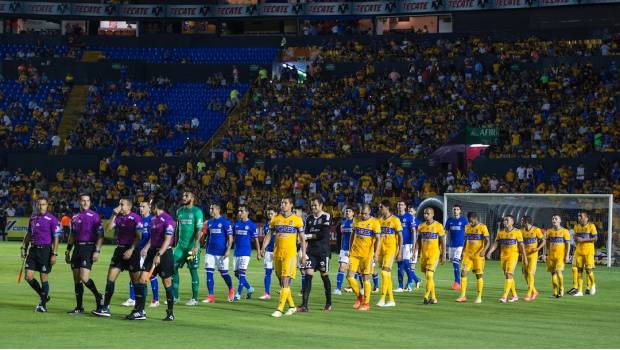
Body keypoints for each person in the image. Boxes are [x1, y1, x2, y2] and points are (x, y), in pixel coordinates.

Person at [93, 198, 143, 317]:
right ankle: (106, 308)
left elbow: (139, 236)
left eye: (122, 204)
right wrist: (113, 214)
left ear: (129, 206)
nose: (119, 206)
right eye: (119, 204)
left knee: (136, 281)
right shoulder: (119, 217)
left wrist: (131, 250)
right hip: (119, 250)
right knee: (110, 278)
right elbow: (108, 229)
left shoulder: (136, 218)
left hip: (132, 251)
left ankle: (139, 310)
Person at [129, 198, 176, 321]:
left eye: (151, 206)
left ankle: (170, 313)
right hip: (152, 252)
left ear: (155, 206)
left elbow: (167, 240)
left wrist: (159, 255)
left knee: (167, 284)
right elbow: (152, 237)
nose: (149, 208)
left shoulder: (168, 220)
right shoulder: (153, 220)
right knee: (142, 279)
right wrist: (147, 247)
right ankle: (140, 310)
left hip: (164, 254)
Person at [260, 197, 306, 317]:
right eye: (282, 203)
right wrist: (263, 248)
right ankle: (291, 306)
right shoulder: (276, 219)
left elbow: (302, 238)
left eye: (285, 203)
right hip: (277, 253)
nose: (283, 204)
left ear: (291, 205)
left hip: (290, 254)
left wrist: (304, 254)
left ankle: (279, 309)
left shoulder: (297, 220)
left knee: (285, 280)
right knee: (282, 282)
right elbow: (269, 235)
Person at [65, 193, 104, 315]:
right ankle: (79, 307)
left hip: (88, 248)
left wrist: (97, 250)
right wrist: (68, 250)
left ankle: (99, 296)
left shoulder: (95, 216)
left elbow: (100, 235)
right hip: (77, 249)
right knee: (77, 280)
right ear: (79, 202)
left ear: (90, 202)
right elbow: (72, 235)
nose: (86, 202)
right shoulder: (75, 217)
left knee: (84, 278)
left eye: (88, 200)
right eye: (83, 200)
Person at [22, 198, 61, 312]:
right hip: (33, 250)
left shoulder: (52, 219)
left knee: (43, 277)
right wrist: (24, 247)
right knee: (28, 277)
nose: (41, 206)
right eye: (39, 204)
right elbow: (29, 233)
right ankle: (44, 296)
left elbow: (56, 238)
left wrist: (54, 253)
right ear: (36, 205)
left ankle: (43, 304)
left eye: (43, 204)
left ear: (47, 205)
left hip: (45, 251)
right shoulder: (33, 218)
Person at [298, 197, 332, 312]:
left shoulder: (326, 216)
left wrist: (310, 236)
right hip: (311, 252)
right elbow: (305, 236)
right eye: (312, 205)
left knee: (324, 276)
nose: (313, 207)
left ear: (321, 205)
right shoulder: (309, 218)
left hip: (323, 252)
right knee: (308, 275)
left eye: (315, 205)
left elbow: (323, 234)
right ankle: (304, 305)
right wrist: (303, 253)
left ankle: (328, 303)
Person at [123, 200, 159, 308]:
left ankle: (155, 300)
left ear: (149, 208)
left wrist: (147, 248)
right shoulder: (139, 219)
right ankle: (133, 298)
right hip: (138, 250)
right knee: (134, 273)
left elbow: (153, 236)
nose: (141, 208)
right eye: (140, 206)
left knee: (149, 275)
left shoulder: (152, 220)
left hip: (147, 252)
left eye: (143, 206)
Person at [346, 204, 381, 311]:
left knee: (366, 278)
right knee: (350, 276)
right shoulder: (356, 219)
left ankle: (366, 303)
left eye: (365, 213)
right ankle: (359, 297)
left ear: (370, 212)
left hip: (367, 255)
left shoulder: (375, 222)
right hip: (355, 254)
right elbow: (353, 234)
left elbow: (378, 239)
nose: (363, 215)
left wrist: (376, 253)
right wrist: (350, 248)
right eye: (362, 213)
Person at [172, 191, 204, 306]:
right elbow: (177, 229)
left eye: (187, 196)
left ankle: (194, 299)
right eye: (183, 195)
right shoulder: (179, 211)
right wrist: (174, 245)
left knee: (193, 270)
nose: (184, 197)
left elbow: (199, 230)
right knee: (173, 267)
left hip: (191, 248)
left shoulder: (197, 212)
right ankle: (175, 297)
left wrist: (196, 246)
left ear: (192, 198)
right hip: (180, 248)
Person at [487, 215, 528, 303]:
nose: (504, 222)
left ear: (512, 222)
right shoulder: (500, 232)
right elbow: (496, 243)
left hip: (513, 256)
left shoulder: (517, 232)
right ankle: (515, 295)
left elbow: (521, 246)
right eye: (504, 220)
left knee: (509, 274)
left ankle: (504, 296)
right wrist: (490, 251)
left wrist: (524, 257)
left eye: (507, 220)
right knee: (507, 275)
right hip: (503, 256)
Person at [201, 203, 234, 303]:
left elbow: (230, 238)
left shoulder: (225, 222)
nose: (210, 210)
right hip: (210, 252)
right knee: (209, 273)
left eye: (212, 209)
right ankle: (211, 295)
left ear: (218, 210)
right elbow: (207, 236)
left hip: (221, 253)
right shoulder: (209, 222)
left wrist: (228, 250)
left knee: (224, 273)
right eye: (210, 208)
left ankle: (231, 289)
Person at [456, 212, 489, 304]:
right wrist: (463, 251)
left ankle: (479, 297)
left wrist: (484, 251)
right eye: (470, 221)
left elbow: (487, 241)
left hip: (478, 255)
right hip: (468, 255)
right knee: (463, 273)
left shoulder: (482, 227)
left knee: (478, 275)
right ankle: (462, 296)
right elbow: (466, 240)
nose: (471, 223)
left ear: (475, 218)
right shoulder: (467, 227)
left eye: (472, 221)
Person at [416, 207, 446, 305]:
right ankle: (433, 298)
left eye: (428, 213)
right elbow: (419, 240)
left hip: (434, 254)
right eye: (425, 213)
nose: (426, 215)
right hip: (424, 254)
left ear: (432, 214)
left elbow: (443, 241)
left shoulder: (438, 226)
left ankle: (426, 296)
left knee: (429, 275)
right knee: (429, 278)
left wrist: (443, 254)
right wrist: (416, 252)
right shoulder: (421, 226)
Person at [376, 200, 402, 307]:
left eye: (380, 207)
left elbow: (400, 237)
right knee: (387, 275)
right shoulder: (379, 220)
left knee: (384, 273)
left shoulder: (395, 220)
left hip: (391, 249)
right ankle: (391, 300)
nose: (379, 209)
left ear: (386, 207)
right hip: (381, 250)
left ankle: (382, 298)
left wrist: (399, 252)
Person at [232, 205, 259, 300]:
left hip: (245, 252)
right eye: (239, 211)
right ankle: (249, 288)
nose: (239, 213)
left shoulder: (251, 225)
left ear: (247, 212)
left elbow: (256, 239)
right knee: (236, 273)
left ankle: (238, 294)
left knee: (242, 273)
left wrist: (259, 252)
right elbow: (233, 237)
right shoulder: (237, 223)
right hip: (236, 252)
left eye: (242, 211)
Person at [568, 212, 598, 297]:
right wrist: (576, 238)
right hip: (579, 251)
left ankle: (593, 284)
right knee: (579, 271)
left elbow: (595, 238)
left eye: (581, 216)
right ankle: (580, 291)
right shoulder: (576, 226)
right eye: (579, 217)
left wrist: (583, 240)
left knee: (588, 270)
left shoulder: (591, 226)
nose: (579, 218)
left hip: (588, 251)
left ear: (586, 218)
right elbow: (575, 237)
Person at [394, 201, 419, 292]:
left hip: (408, 244)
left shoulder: (409, 217)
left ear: (405, 206)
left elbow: (414, 231)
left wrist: (414, 244)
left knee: (404, 263)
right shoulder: (395, 217)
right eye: (398, 204)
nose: (399, 206)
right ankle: (412, 281)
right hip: (398, 244)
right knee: (401, 265)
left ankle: (406, 284)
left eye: (401, 205)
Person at [545, 215, 570, 298]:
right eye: (553, 219)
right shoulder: (549, 231)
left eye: (556, 219)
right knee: (553, 274)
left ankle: (561, 288)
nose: (554, 220)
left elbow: (568, 245)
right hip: (551, 256)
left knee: (559, 272)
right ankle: (555, 292)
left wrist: (567, 256)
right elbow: (547, 243)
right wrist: (546, 254)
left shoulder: (565, 231)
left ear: (560, 221)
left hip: (560, 256)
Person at [520, 216, 545, 301]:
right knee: (526, 274)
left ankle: (529, 293)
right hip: (525, 255)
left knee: (530, 273)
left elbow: (543, 241)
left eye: (522, 220)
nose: (521, 222)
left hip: (533, 255)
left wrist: (537, 249)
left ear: (526, 221)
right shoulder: (521, 231)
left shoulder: (536, 230)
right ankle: (534, 291)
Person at [444, 204, 468, 290]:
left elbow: (467, 232)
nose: (455, 211)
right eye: (454, 209)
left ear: (460, 211)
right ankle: (458, 280)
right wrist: (444, 243)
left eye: (457, 209)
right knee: (454, 263)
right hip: (451, 245)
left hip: (460, 245)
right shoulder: (449, 220)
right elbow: (445, 232)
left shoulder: (464, 220)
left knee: (455, 262)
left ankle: (457, 282)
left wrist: (466, 244)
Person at [333, 206, 354, 295]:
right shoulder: (343, 223)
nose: (347, 212)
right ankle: (338, 289)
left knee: (353, 270)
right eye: (346, 211)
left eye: (349, 211)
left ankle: (353, 287)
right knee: (341, 267)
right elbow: (342, 237)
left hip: (353, 250)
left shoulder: (355, 223)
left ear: (353, 213)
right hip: (344, 249)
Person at [258, 208, 277, 300]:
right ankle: (267, 293)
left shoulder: (279, 224)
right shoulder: (266, 226)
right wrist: (263, 249)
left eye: (271, 213)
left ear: (276, 214)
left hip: (278, 251)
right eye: (268, 213)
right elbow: (266, 238)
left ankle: (284, 290)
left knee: (280, 273)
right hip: (269, 252)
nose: (270, 215)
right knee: (267, 272)